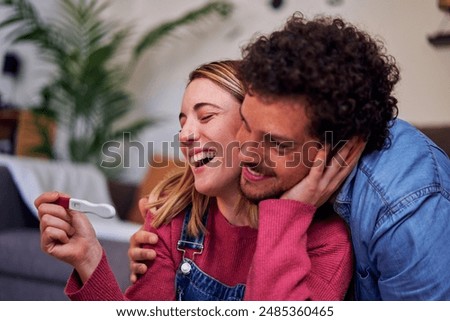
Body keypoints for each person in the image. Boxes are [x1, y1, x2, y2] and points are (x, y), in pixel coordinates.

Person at [129, 13, 450, 300]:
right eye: (248, 125)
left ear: (335, 147)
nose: (247, 152)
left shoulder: (406, 209)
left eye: (275, 143)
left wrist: (288, 212)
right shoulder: (193, 211)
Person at [36, 60, 357, 301]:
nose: (186, 134)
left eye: (206, 116)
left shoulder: (327, 243)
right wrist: (88, 258)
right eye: (183, 121)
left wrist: (288, 211)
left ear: (252, 126)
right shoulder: (172, 218)